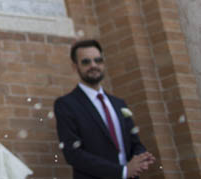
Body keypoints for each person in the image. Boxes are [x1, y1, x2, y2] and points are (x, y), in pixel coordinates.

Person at [54, 39, 156, 179]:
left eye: (98, 60)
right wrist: (122, 172)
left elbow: (134, 142)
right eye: (86, 62)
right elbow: (73, 154)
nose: (93, 65)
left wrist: (141, 157)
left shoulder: (119, 104)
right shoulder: (66, 105)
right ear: (74, 66)